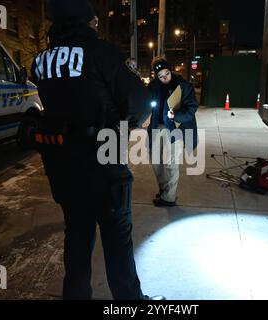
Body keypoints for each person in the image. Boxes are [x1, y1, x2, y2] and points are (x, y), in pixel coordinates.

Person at [31, 0, 164, 300]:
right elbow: (140, 105)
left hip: (64, 168)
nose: (96, 26)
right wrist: (120, 126)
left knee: (76, 241)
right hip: (105, 166)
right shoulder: (101, 53)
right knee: (118, 243)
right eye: (93, 21)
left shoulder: (40, 61)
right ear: (85, 21)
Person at [148, 58, 199, 207]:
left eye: (167, 74)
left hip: (176, 128)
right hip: (157, 126)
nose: (164, 78)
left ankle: (169, 197)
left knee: (171, 163)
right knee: (155, 159)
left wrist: (175, 116)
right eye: (160, 76)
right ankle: (164, 189)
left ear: (171, 71)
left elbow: (191, 109)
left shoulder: (183, 86)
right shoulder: (153, 86)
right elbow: (145, 102)